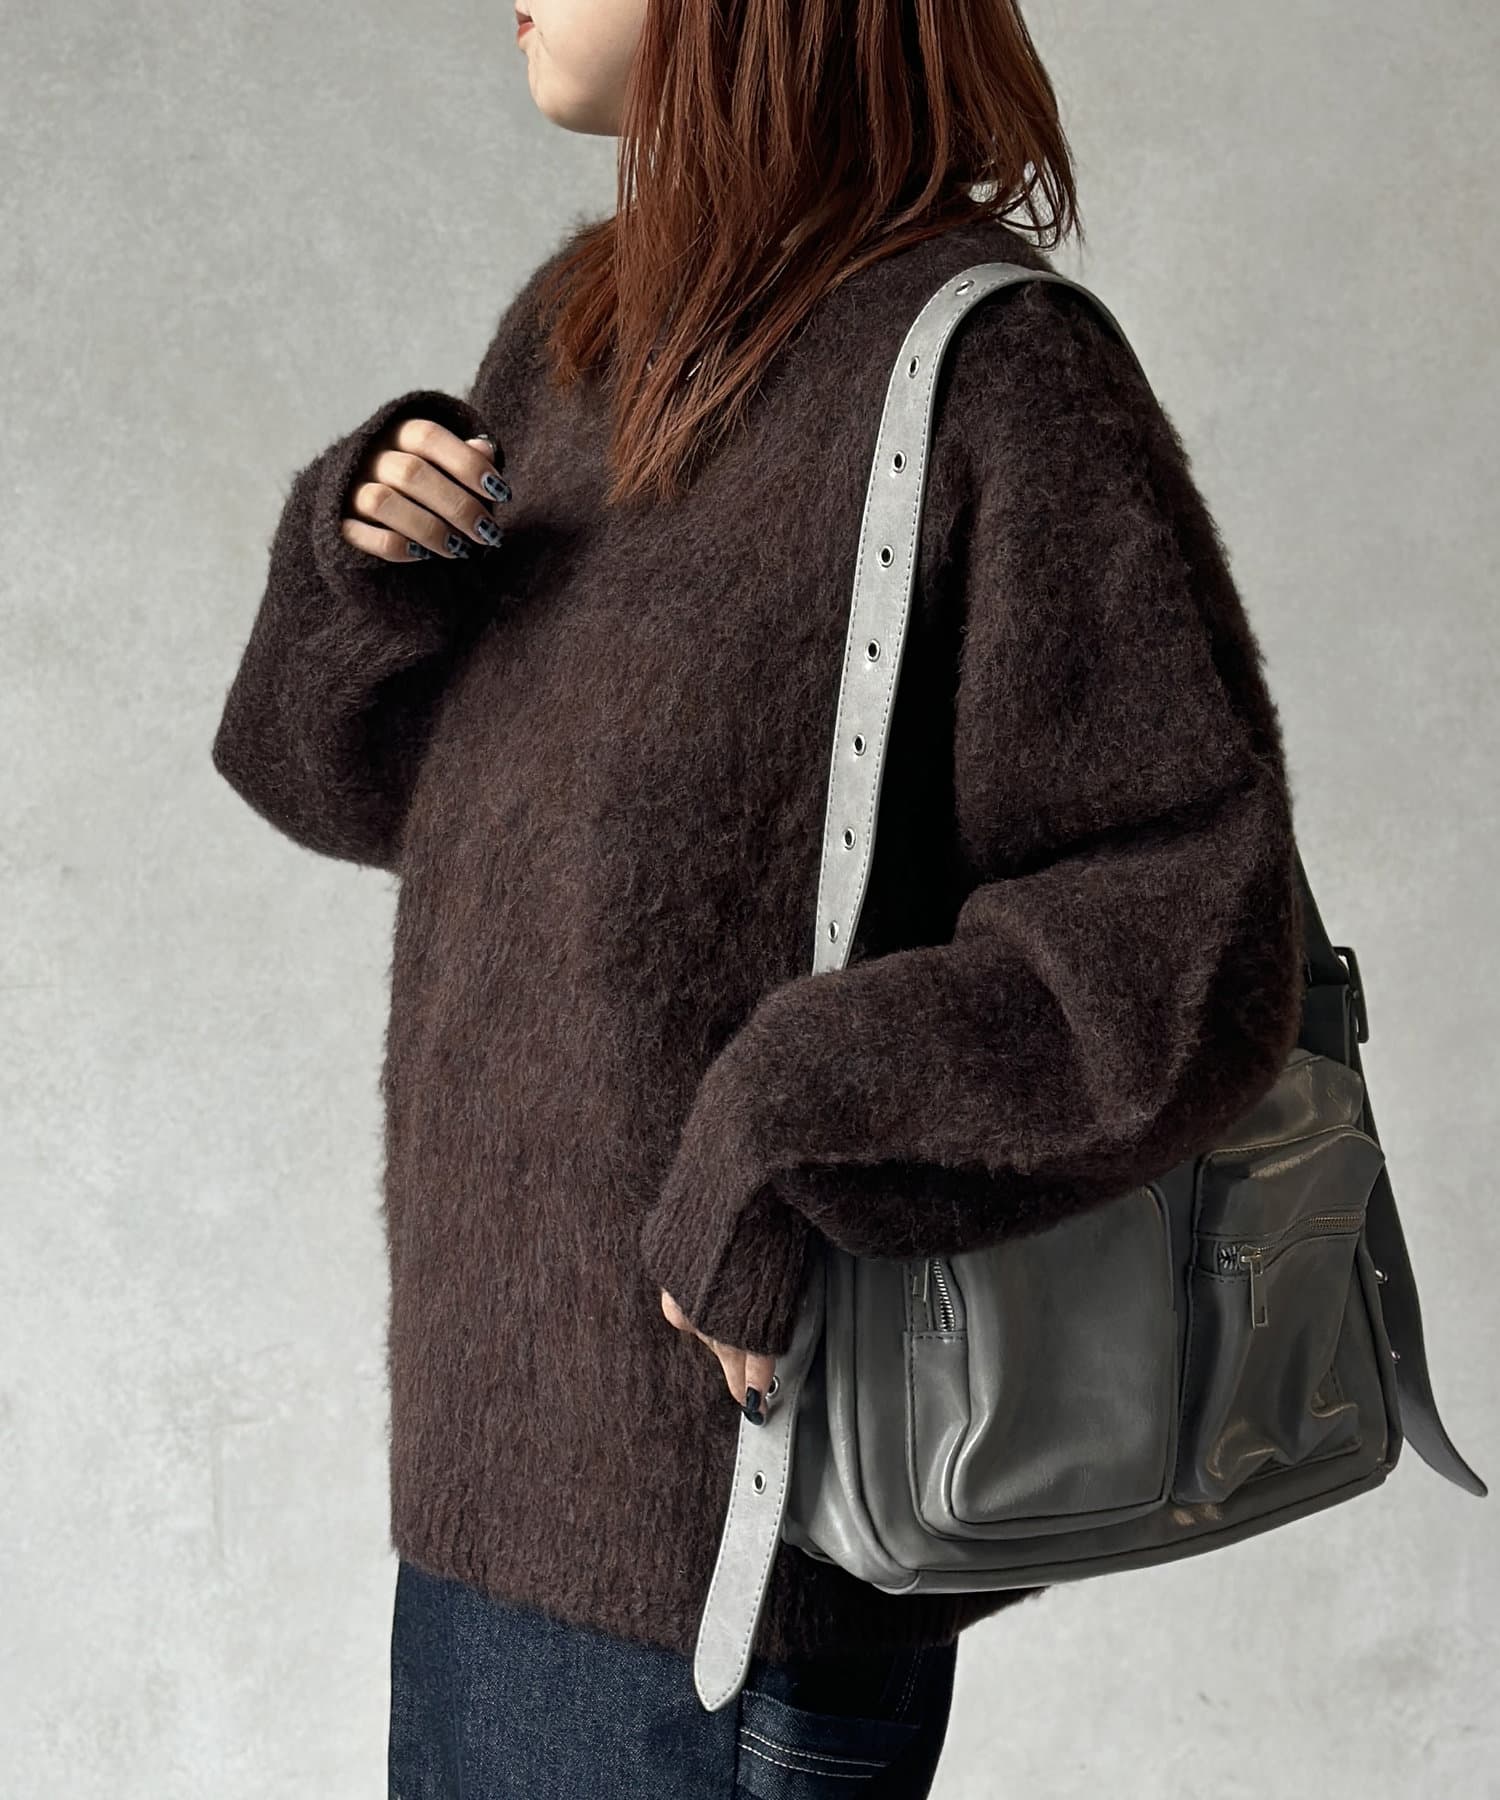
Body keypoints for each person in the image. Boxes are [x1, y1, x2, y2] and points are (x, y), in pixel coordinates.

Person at [209, 0, 1306, 1793]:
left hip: (731, 1572)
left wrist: (786, 1137)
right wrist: (366, 584)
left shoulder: (990, 368)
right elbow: (383, 806)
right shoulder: (578, 335)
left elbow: (1182, 926)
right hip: (489, 1507)